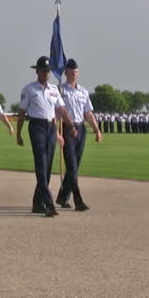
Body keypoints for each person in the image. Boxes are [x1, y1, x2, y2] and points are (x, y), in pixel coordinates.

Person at [15, 56, 74, 217]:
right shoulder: (29, 89)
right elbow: (21, 113)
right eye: (43, 71)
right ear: (37, 71)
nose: (46, 74)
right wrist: (19, 133)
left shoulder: (54, 90)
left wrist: (71, 125)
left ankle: (37, 203)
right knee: (41, 164)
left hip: (50, 127)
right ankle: (49, 203)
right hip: (36, 127)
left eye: (48, 71)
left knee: (47, 168)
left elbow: (61, 109)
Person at [55, 59, 102, 211]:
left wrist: (96, 129)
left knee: (74, 167)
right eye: (71, 71)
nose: (74, 74)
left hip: (81, 129)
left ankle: (63, 196)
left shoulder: (83, 91)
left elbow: (88, 112)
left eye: (76, 72)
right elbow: (55, 113)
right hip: (67, 129)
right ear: (66, 72)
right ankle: (78, 199)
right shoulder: (60, 90)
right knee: (72, 166)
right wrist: (56, 132)